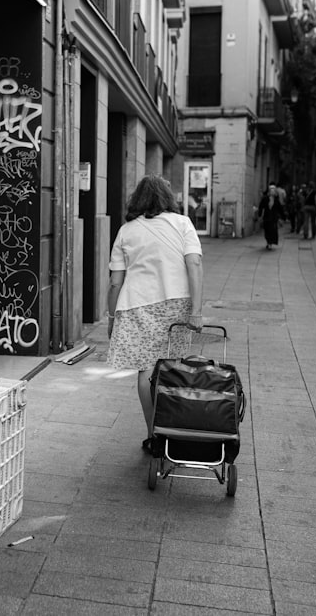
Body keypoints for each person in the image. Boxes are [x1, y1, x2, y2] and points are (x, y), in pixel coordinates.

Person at [106, 176, 204, 448]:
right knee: (172, 368)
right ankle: (173, 429)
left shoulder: (127, 230)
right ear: (167, 197)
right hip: (177, 303)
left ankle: (154, 435)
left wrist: (112, 318)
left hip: (137, 305)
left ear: (136, 199)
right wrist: (196, 311)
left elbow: (115, 282)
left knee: (145, 370)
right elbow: (194, 264)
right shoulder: (183, 223)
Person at [257, 184, 285, 249]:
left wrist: (283, 216)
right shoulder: (265, 199)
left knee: (272, 231)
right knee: (267, 231)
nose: (272, 192)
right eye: (271, 191)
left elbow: (280, 209)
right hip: (267, 218)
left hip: (273, 218)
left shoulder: (276, 200)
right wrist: (260, 214)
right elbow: (261, 207)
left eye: (273, 191)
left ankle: (270, 243)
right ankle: (268, 242)